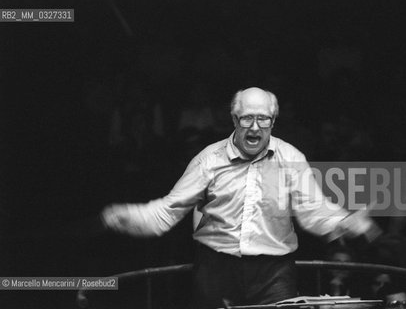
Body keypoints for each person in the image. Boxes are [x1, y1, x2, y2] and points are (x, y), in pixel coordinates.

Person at [101, 87, 376, 308]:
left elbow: (314, 213)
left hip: (274, 275)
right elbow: (166, 212)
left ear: (273, 121)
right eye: (247, 118)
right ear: (234, 120)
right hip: (215, 271)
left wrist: (345, 221)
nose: (255, 128)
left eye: (263, 119)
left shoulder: (292, 158)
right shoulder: (208, 159)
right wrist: (128, 216)